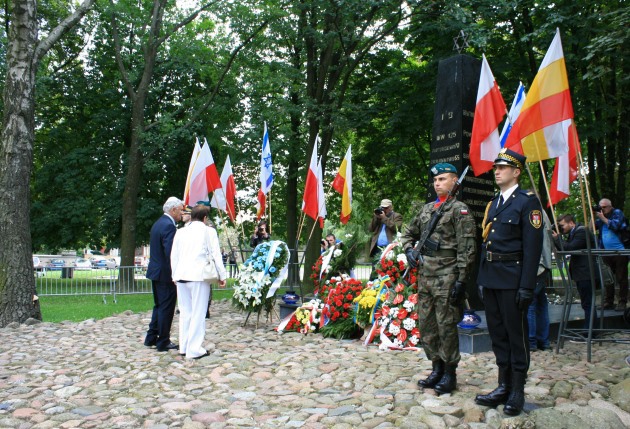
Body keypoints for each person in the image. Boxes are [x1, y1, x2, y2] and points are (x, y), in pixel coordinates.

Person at [475, 148, 543, 416]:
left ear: (516, 172)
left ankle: (517, 390)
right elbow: (486, 242)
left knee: (517, 336)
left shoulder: (527, 202)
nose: (497, 171)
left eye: (502, 168)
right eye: (496, 167)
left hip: (513, 278)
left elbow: (532, 247)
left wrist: (527, 285)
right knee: (498, 335)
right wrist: (481, 277)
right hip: (491, 277)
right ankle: (502, 385)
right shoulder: (494, 203)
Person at [401, 163, 476, 395]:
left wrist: (462, 280)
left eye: (443, 179)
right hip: (425, 277)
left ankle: (449, 373)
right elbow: (407, 233)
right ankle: (436, 367)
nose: (437, 183)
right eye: (435, 180)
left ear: (455, 181)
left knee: (446, 327)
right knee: (427, 326)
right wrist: (409, 251)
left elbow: (468, 249)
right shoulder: (426, 210)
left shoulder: (459, 210)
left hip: (447, 276)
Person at [171, 204, 227, 359]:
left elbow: (174, 255)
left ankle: (184, 345)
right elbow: (216, 254)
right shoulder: (208, 231)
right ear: (204, 218)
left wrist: (174, 275)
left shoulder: (180, 232)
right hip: (198, 276)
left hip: (181, 275)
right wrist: (222, 275)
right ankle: (194, 349)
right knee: (198, 312)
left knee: (185, 312)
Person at [144, 197, 184, 352]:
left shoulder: (158, 223)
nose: (182, 213)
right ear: (173, 210)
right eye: (180, 210)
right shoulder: (169, 226)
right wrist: (177, 272)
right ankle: (163, 341)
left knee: (159, 306)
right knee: (166, 308)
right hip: (165, 274)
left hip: (156, 271)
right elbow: (171, 253)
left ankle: (151, 337)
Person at [553, 214, 600, 330]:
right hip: (582, 273)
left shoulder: (581, 232)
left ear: (571, 223)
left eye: (562, 225)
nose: (561, 228)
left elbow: (570, 248)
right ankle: (590, 329)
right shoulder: (574, 232)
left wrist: (557, 238)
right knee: (587, 303)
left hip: (586, 273)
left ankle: (590, 331)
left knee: (588, 303)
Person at [594, 198, 628, 311]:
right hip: (606, 251)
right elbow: (592, 228)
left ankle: (622, 301)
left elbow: (616, 226)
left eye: (604, 207)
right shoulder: (600, 217)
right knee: (608, 278)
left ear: (610, 206)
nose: (602, 209)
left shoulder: (617, 213)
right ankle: (609, 301)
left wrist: (602, 218)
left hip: (620, 251)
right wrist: (593, 214)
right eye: (600, 207)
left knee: (621, 277)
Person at [528, 210, 553, 351]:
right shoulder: (540, 212)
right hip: (543, 263)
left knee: (531, 303)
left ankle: (532, 341)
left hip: (537, 264)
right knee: (541, 303)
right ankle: (543, 341)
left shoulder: (533, 212)